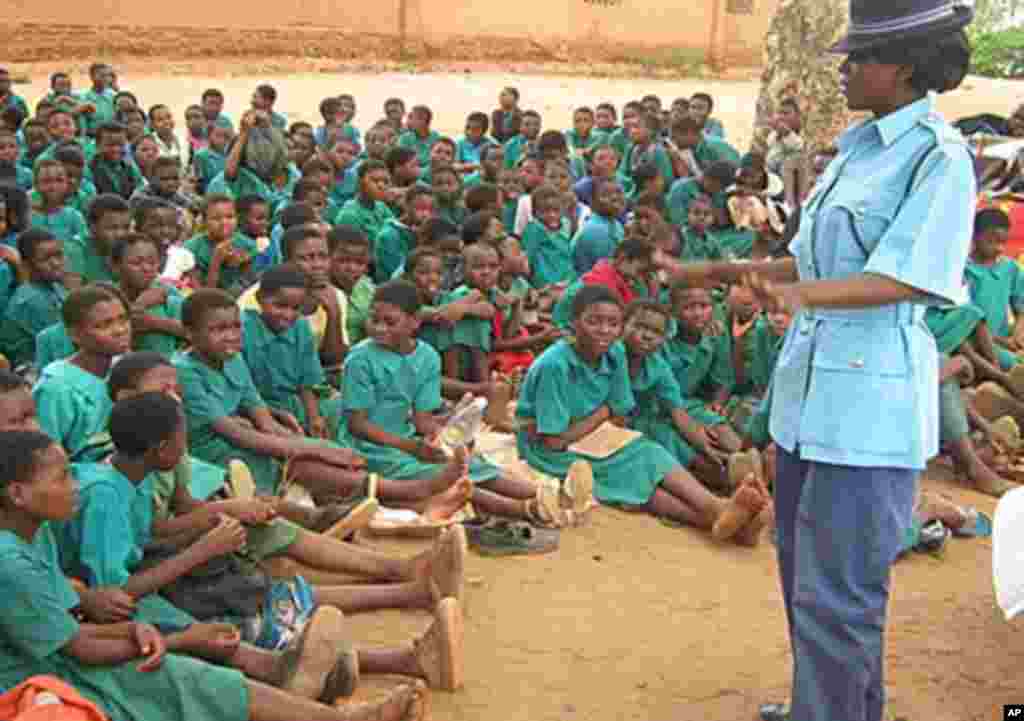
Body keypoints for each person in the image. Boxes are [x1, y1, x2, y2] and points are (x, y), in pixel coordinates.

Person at [655, 3, 978, 718]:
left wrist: (792, 293)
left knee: (842, 600)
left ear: (906, 67)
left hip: (867, 413)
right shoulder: (860, 146)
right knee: (808, 583)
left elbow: (907, 278)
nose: (846, 67)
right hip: (808, 404)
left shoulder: (938, 158)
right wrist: (712, 272)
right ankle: (826, 705)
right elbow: (801, 258)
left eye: (859, 56)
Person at [0, 430, 431, 721]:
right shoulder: (12, 560)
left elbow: (72, 608)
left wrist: (137, 628)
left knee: (178, 664)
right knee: (173, 672)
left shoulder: (32, 534)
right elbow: (79, 648)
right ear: (17, 494)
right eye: (62, 478)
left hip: (62, 648)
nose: (74, 484)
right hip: (29, 678)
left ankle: (306, 684)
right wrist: (174, 639)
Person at [515, 284, 769, 540]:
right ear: (574, 322)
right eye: (594, 321)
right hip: (548, 449)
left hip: (587, 436)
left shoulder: (613, 353)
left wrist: (606, 416)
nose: (604, 330)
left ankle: (722, 516)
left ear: (620, 327)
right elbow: (554, 440)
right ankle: (716, 513)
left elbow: (621, 412)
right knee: (636, 473)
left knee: (648, 454)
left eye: (612, 324)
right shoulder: (555, 365)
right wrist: (604, 412)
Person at [0, 230, 67, 369]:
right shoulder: (30, 300)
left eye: (59, 255)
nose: (56, 263)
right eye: (45, 259)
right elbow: (62, 348)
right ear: (26, 265)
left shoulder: (55, 286)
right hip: (33, 370)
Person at [64, 194, 132, 289]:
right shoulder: (75, 249)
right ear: (92, 227)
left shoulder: (129, 247)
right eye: (112, 228)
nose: (120, 234)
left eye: (126, 227)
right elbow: (72, 295)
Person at [571, 178, 626, 275]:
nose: (615, 197)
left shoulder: (616, 225)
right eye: (605, 194)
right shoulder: (594, 230)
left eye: (619, 192)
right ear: (592, 202)